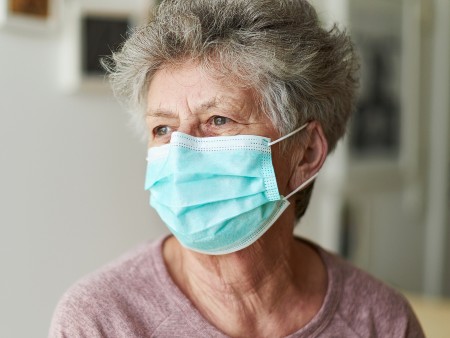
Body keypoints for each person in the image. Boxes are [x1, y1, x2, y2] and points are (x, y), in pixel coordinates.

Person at [49, 0, 425, 337]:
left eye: (218, 119)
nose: (181, 151)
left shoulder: (381, 321)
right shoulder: (99, 321)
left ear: (306, 152)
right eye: (162, 128)